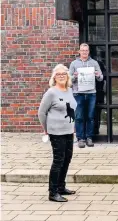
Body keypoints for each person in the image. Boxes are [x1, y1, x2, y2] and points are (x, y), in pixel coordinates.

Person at [38, 64, 77, 202]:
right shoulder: (51, 93)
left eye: (64, 74)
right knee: (58, 160)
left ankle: (61, 187)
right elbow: (41, 113)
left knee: (67, 158)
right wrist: (46, 129)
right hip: (56, 132)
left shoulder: (69, 90)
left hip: (68, 131)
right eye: (58, 74)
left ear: (68, 76)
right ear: (54, 77)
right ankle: (53, 192)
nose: (61, 76)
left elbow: (72, 110)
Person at [69, 43, 103, 148]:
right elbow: (69, 80)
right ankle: (80, 138)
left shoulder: (94, 63)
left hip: (91, 93)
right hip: (78, 93)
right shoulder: (74, 64)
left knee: (90, 116)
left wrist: (98, 75)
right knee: (79, 117)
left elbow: (101, 77)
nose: (84, 52)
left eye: (86, 50)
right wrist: (74, 76)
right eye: (82, 50)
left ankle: (89, 137)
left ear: (89, 51)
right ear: (79, 51)